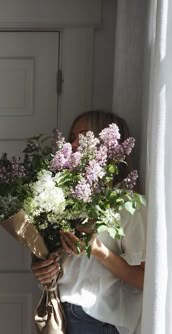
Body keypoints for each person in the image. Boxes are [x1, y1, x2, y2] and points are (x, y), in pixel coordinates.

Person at [31, 110, 147, 334]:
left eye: (83, 135)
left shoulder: (128, 203)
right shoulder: (63, 197)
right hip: (59, 310)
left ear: (108, 144)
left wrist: (97, 250)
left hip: (95, 317)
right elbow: (66, 263)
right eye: (72, 136)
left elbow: (144, 279)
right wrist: (42, 267)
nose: (72, 143)